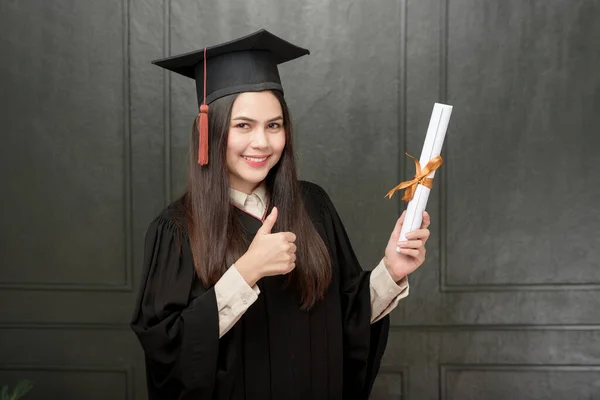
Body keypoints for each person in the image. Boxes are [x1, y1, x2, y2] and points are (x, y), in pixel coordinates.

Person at [130, 29, 431, 400]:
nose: (262, 142)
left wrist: (392, 271)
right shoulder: (176, 229)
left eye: (274, 125)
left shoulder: (312, 205)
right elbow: (167, 350)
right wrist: (246, 272)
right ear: (209, 131)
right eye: (243, 125)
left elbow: (346, 321)